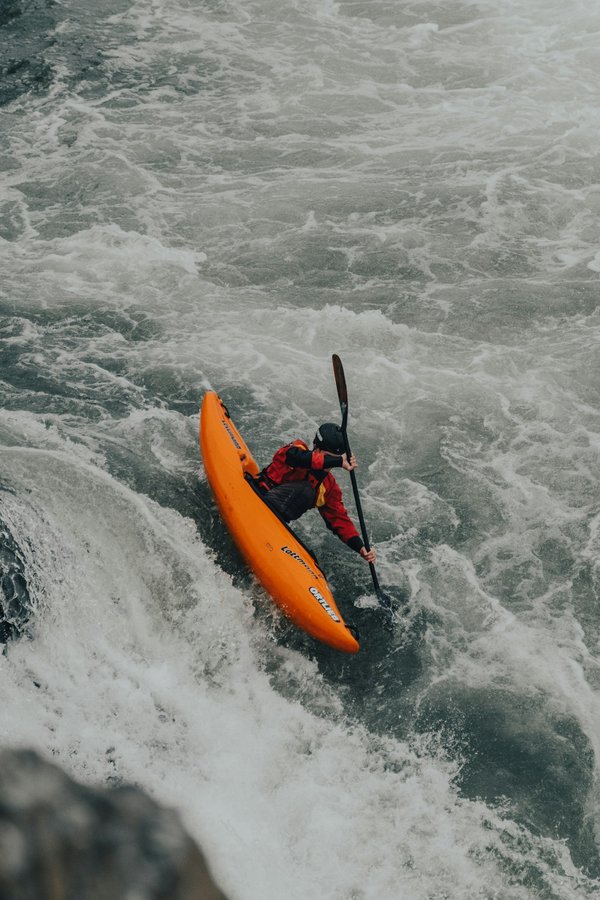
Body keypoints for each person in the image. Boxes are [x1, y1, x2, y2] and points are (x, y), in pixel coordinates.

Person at [256, 422, 377, 564]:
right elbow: (297, 457)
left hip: (277, 521)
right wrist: (338, 460)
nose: (330, 465)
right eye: (329, 458)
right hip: (259, 497)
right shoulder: (296, 450)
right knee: (306, 490)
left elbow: (338, 518)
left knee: (309, 491)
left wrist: (360, 547)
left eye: (335, 460)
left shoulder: (328, 486)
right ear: (317, 449)